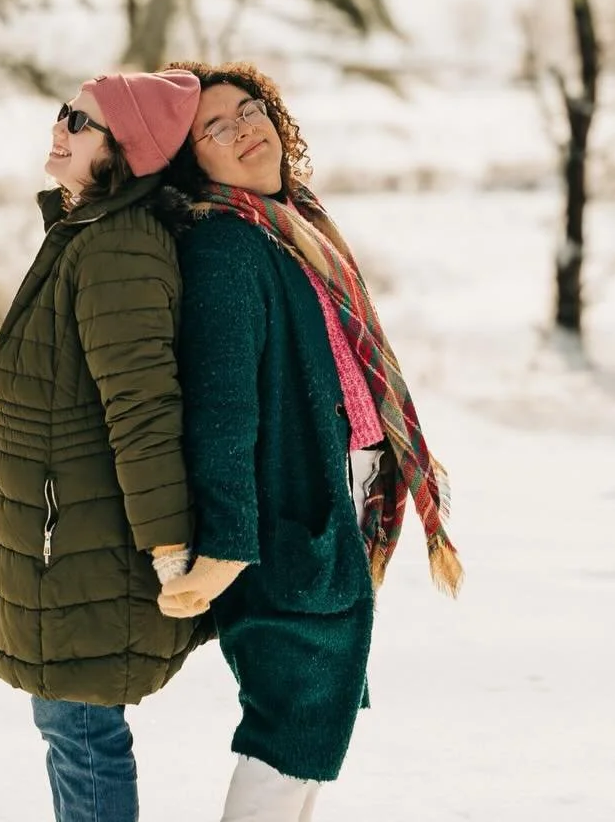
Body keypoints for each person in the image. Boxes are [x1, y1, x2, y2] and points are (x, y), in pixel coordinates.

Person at [156, 61, 462, 821]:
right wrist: (230, 543)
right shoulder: (226, 246)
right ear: (194, 161)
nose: (244, 130)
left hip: (340, 496)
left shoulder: (291, 226)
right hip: (283, 517)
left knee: (312, 724)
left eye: (250, 109)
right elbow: (220, 412)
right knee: (289, 724)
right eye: (215, 129)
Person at [0, 69, 206, 822]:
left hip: (90, 536)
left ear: (126, 148)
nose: (60, 127)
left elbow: (143, 406)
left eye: (80, 120)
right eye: (62, 112)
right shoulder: (88, 233)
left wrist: (168, 546)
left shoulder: (118, 248)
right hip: (63, 531)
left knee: (81, 729)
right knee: (69, 725)